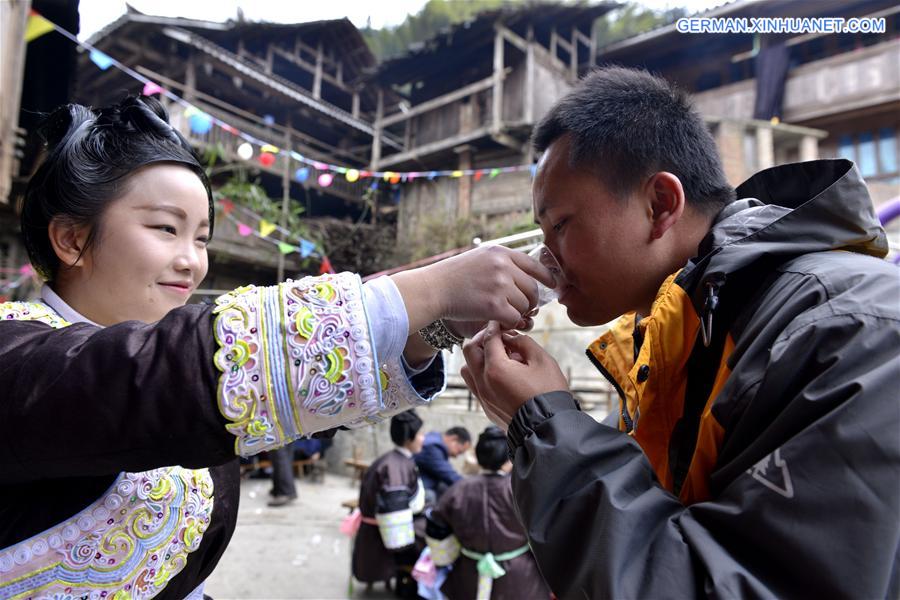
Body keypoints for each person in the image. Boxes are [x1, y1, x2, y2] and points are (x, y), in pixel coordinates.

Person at [0, 95, 554, 599]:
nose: (193, 262)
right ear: (72, 238)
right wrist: (430, 289)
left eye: (201, 237)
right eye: (166, 229)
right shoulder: (14, 349)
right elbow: (154, 377)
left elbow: (300, 404)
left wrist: (435, 328)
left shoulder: (176, 353)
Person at [460, 67, 900, 599]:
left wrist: (545, 424)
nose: (545, 258)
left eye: (561, 224)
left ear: (661, 205)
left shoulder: (844, 329)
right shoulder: (662, 336)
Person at [424, 426, 550, 600]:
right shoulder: (522, 491)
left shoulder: (457, 491)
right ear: (508, 460)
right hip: (520, 577)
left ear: (477, 456)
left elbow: (436, 529)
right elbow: (546, 532)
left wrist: (450, 556)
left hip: (468, 574)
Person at [351, 411, 427, 598]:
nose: (422, 439)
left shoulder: (393, 460)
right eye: (419, 434)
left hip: (378, 527)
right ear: (409, 438)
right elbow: (394, 515)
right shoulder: (395, 466)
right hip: (384, 535)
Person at [414, 426, 471, 503]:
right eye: (459, 452)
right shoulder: (432, 447)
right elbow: (450, 476)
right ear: (454, 439)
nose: (456, 456)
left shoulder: (434, 441)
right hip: (416, 491)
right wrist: (473, 487)